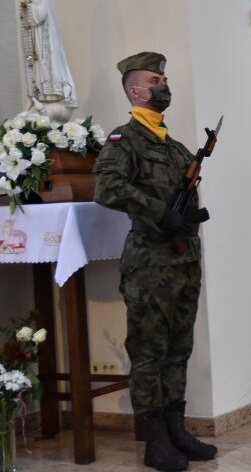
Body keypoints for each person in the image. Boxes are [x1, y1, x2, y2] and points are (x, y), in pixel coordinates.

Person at [94, 52, 216, 472]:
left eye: (164, 77)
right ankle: (155, 440)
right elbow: (107, 189)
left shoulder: (175, 145)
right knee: (149, 353)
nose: (164, 83)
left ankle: (176, 429)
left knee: (179, 349)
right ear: (135, 90)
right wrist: (158, 212)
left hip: (184, 262)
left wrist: (186, 218)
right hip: (149, 265)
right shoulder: (123, 140)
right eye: (155, 78)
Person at [17, 0, 78, 109]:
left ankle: (50, 94)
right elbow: (26, 20)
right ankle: (39, 94)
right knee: (35, 63)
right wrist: (25, 5)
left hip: (43, 35)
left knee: (45, 61)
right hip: (32, 34)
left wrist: (28, 3)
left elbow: (41, 13)